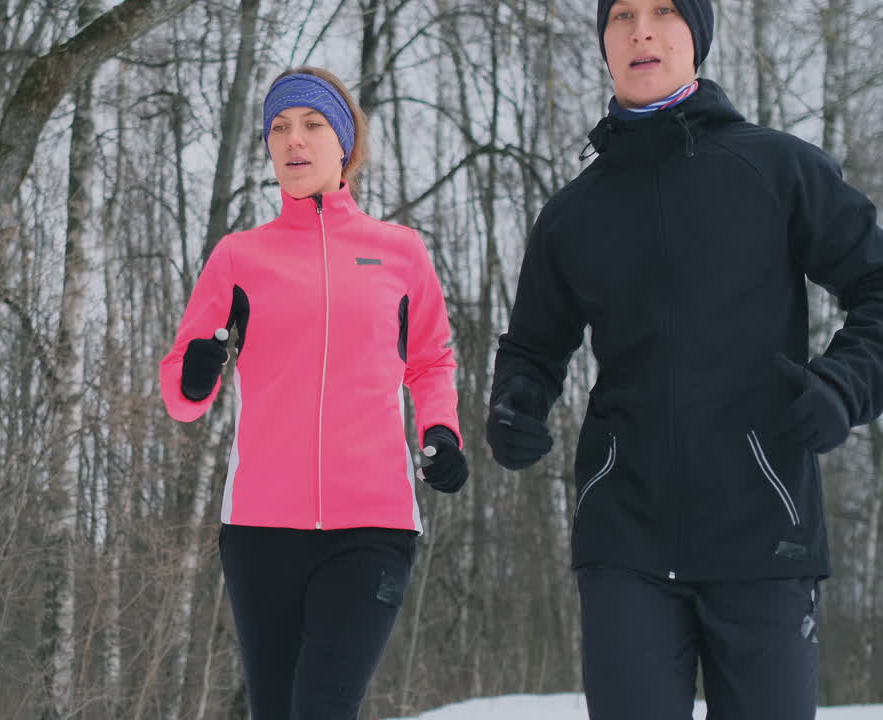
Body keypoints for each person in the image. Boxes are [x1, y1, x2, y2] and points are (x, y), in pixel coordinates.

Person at [486, 0, 883, 718]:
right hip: (624, 535)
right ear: (604, 41)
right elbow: (532, 350)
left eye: (665, 10)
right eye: (622, 15)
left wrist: (846, 386)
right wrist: (516, 402)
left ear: (697, 34)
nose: (641, 29)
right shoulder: (575, 212)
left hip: (766, 527)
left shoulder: (778, 168)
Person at [159, 66, 468, 719]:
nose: (294, 140)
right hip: (260, 530)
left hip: (374, 524)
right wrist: (195, 374)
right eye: (279, 128)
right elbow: (184, 384)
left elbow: (432, 359)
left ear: (344, 142)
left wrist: (440, 430)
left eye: (312, 124)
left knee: (323, 706)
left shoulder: (400, 253)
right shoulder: (240, 257)